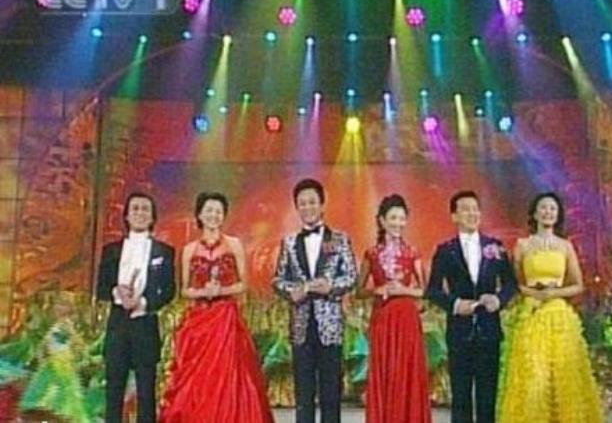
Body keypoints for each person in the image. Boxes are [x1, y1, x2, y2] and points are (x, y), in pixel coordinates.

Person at [159, 192, 273, 422]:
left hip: (226, 318)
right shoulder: (189, 249)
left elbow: (243, 284)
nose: (214, 215)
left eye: (218, 211)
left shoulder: (234, 244)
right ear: (200, 215)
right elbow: (185, 289)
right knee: (196, 376)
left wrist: (221, 290)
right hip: (199, 319)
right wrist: (203, 292)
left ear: (224, 215)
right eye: (209, 211)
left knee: (229, 373)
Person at [498, 192, 603, 422]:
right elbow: (515, 284)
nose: (548, 212)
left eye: (553, 209)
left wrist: (553, 293)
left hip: (558, 315)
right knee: (533, 375)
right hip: (531, 314)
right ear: (535, 214)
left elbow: (578, 285)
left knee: (565, 376)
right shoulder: (523, 245)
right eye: (544, 208)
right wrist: (535, 293)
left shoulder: (565, 246)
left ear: (558, 215)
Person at [426, 190, 517, 423]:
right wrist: (455, 304)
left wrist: (498, 300)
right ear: (454, 216)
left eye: (475, 209)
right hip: (459, 332)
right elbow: (433, 290)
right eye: (465, 209)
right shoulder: (445, 251)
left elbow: (510, 284)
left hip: (489, 330)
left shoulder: (495, 247)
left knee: (487, 397)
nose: (472, 213)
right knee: (461, 397)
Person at [272, 178, 358, 423]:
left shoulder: (340, 239)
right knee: (304, 393)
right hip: (301, 325)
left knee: (331, 393)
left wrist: (331, 287)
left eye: (312, 202)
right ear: (296, 207)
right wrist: (293, 291)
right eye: (302, 203)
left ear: (322, 205)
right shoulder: (289, 243)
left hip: (330, 326)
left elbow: (351, 276)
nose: (307, 207)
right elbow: (277, 279)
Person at [97, 192, 176, 423]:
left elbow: (169, 290)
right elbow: (101, 287)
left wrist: (143, 302)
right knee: (114, 389)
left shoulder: (164, 252)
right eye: (135, 209)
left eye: (145, 209)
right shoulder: (111, 250)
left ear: (152, 217)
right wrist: (118, 293)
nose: (140, 213)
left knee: (146, 390)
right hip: (118, 325)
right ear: (126, 216)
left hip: (145, 325)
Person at [360, 194, 431, 423]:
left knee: (406, 372)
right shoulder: (372, 253)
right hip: (383, 320)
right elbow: (358, 291)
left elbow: (426, 292)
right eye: (393, 218)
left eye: (402, 218)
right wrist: (377, 290)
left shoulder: (412, 252)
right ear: (382, 220)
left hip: (407, 321)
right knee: (386, 372)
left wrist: (403, 290)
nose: (398, 223)